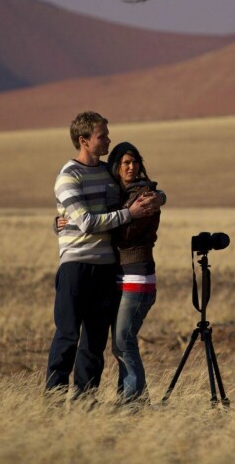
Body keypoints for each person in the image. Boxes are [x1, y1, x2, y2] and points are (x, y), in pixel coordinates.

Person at [46, 111, 161, 401]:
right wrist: (129, 214)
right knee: (68, 335)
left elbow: (135, 189)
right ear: (84, 140)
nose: (108, 140)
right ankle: (54, 400)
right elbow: (86, 222)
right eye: (102, 136)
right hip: (76, 266)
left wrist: (158, 198)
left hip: (107, 269)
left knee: (95, 341)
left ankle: (85, 401)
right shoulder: (67, 177)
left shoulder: (107, 174)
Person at [106, 141, 164, 404]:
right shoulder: (119, 195)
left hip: (137, 277)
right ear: (116, 167)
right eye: (125, 163)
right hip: (121, 277)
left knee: (123, 341)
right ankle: (127, 400)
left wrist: (108, 220)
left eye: (134, 162)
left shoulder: (146, 195)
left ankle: (134, 403)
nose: (131, 167)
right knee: (121, 343)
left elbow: (127, 234)